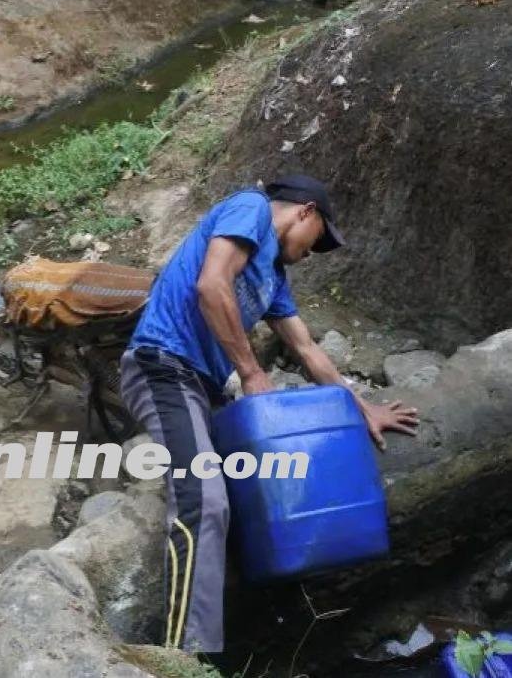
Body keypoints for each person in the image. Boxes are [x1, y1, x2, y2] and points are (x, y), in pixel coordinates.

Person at [119, 174, 419, 654]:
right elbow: (211, 285)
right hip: (163, 369)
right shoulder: (250, 208)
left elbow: (307, 349)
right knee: (204, 500)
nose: (308, 254)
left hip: (204, 387)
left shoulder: (273, 277)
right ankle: (183, 657)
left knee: (253, 498)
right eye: (316, 241)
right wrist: (252, 372)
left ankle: (268, 636)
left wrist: (361, 409)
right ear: (305, 212)